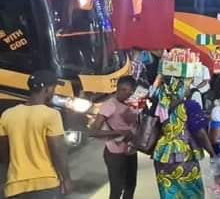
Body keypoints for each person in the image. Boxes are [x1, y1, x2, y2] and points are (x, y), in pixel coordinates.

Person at [0, 70, 72, 198]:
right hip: (45, 183)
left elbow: (4, 153)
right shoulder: (51, 115)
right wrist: (65, 178)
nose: (54, 91)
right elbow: (57, 149)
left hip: (15, 186)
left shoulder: (7, 115)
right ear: (47, 90)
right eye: (54, 88)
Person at [152, 77, 216, 198]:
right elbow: (200, 133)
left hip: (162, 154)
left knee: (169, 193)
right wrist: (212, 152)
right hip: (183, 155)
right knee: (191, 193)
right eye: (188, 85)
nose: (190, 88)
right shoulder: (190, 106)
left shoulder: (160, 104)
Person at [89, 75, 139, 199]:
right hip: (114, 153)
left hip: (130, 151)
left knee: (130, 186)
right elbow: (93, 131)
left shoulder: (133, 104)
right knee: (117, 190)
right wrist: (118, 133)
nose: (124, 93)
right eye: (121, 89)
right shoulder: (110, 105)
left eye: (128, 91)